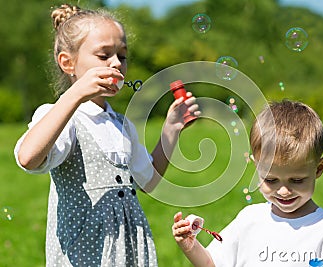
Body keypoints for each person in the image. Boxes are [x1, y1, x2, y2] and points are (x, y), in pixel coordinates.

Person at [14, 4, 199, 267]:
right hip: (85, 253)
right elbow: (28, 158)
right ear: (68, 63)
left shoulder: (121, 124)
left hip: (129, 249)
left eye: (122, 56)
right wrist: (75, 94)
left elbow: (148, 181)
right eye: (104, 56)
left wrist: (172, 128)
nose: (116, 63)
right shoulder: (61, 117)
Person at [172, 99, 323, 266]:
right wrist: (190, 246)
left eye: (297, 180)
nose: (284, 191)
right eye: (271, 180)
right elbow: (213, 264)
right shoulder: (249, 219)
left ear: (319, 169)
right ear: (256, 167)